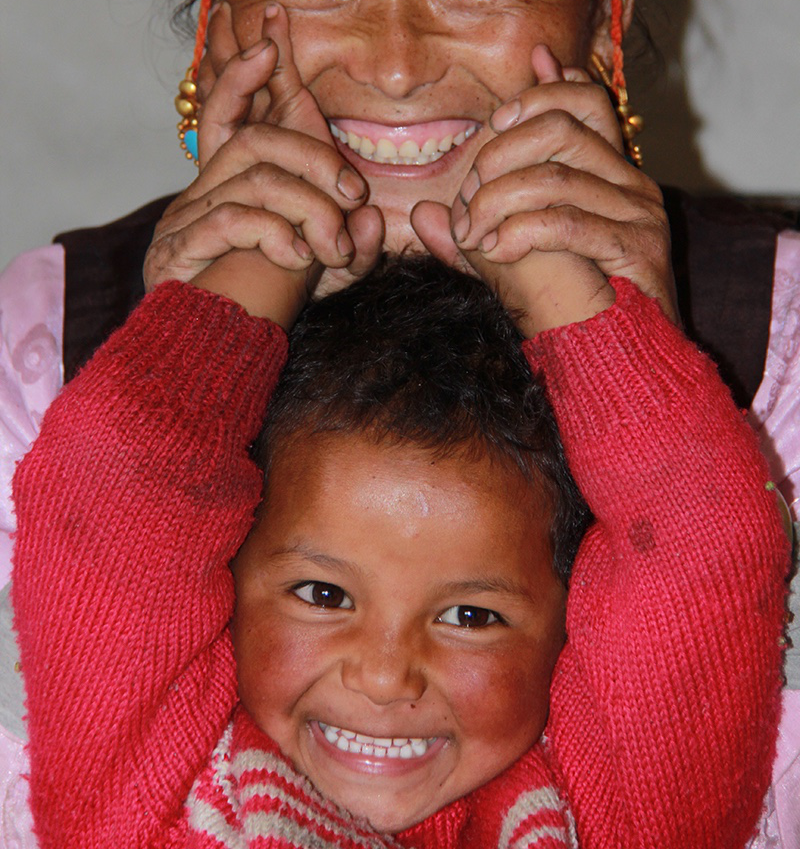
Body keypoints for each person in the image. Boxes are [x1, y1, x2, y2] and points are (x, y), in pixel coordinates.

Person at [0, 0, 797, 843]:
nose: (391, 64)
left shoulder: (780, 337)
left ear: (606, 10)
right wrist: (219, 305)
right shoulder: (45, 340)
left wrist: (616, 336)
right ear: (218, 5)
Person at [12, 251, 787, 848]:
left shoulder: (613, 816)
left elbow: (702, 543)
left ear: (571, 623)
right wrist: (276, 250)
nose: (385, 678)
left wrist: (548, 271)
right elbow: (113, 494)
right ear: (223, 584)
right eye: (323, 595)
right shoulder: (147, 788)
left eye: (471, 616)